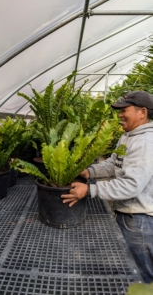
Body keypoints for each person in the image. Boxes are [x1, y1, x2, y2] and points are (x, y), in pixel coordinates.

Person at [61, 90, 153, 283]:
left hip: (140, 220)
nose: (120, 115)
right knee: (135, 267)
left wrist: (90, 190)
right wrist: (90, 172)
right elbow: (113, 164)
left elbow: (131, 185)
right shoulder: (129, 136)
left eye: (124, 110)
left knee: (143, 272)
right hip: (129, 214)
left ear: (142, 112)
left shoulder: (145, 142)